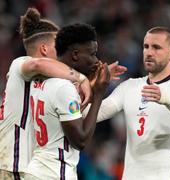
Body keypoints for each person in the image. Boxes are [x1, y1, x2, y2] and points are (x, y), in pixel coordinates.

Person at [0, 8, 94, 180]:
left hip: (21, 167)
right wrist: (81, 78)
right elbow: (37, 65)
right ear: (44, 49)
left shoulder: (43, 83)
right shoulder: (21, 64)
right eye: (58, 47)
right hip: (12, 167)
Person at [84, 26, 170, 180]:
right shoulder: (130, 87)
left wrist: (167, 99)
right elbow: (90, 115)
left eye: (156, 47)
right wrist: (89, 86)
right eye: (146, 46)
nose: (149, 52)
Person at [25, 23, 110, 180]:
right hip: (55, 172)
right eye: (92, 54)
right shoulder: (64, 88)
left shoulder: (39, 80)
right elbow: (81, 141)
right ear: (76, 55)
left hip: (36, 169)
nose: (96, 60)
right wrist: (98, 94)